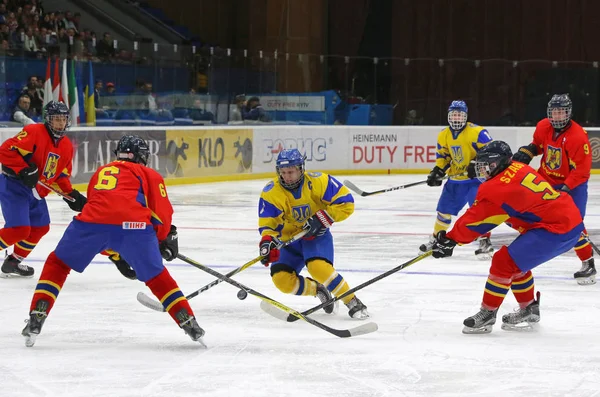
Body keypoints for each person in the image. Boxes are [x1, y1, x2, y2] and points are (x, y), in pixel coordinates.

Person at [21, 135, 205, 347]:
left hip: (90, 224)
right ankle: (188, 321)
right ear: (142, 156)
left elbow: (102, 219)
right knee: (156, 277)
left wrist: (115, 255)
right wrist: (163, 239)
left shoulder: (101, 172)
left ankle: (37, 314)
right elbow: (161, 213)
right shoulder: (148, 173)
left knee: (58, 264)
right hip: (134, 228)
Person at [431, 141, 584, 334]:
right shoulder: (518, 167)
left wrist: (451, 239)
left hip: (555, 229)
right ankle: (528, 308)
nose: (481, 169)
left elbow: (477, 220)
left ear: (496, 164)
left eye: (484, 164)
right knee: (516, 261)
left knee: (503, 262)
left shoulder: (497, 188)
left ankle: (487, 314)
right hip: (567, 220)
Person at [258, 149, 369, 319]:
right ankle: (317, 289)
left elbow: (346, 203)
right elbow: (268, 224)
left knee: (318, 268)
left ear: (301, 169)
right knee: (281, 281)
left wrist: (324, 218)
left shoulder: (319, 181)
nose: (287, 177)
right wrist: (267, 243)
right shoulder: (271, 192)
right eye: (283, 172)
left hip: (315, 237)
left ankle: (352, 300)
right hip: (289, 241)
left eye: (291, 172)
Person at [513, 94, 594, 285]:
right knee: (526, 211)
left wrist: (564, 191)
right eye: (554, 112)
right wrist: (529, 151)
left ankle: (588, 262)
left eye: (561, 112)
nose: (557, 116)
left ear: (569, 113)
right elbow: (539, 146)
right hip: (545, 180)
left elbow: (581, 171)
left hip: (572, 185)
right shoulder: (543, 126)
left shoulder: (577, 136)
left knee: (574, 225)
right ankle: (527, 248)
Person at [0, 101, 86, 278]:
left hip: (35, 193)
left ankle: (13, 262)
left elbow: (60, 176)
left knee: (40, 227)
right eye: (56, 119)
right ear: (48, 120)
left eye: (63, 119)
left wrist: (71, 195)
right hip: (14, 185)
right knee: (19, 230)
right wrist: (23, 168)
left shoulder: (66, 146)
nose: (60, 123)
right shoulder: (34, 132)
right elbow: (5, 151)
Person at [419, 100, 494, 259]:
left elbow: (491, 152)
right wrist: (438, 170)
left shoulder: (478, 132)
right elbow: (443, 156)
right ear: (448, 116)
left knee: (479, 210)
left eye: (460, 115)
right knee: (443, 211)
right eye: (454, 115)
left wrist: (477, 164)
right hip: (456, 180)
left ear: (466, 116)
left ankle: (484, 241)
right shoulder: (443, 134)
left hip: (476, 180)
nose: (457, 118)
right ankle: (436, 239)